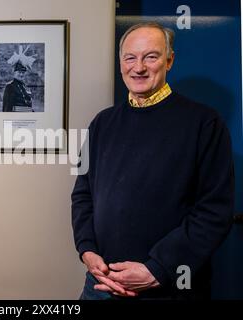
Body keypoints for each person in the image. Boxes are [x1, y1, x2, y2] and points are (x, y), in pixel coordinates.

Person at [71, 22, 235, 300]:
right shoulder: (102, 123)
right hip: (102, 284)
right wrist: (86, 250)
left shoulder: (204, 123)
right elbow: (82, 194)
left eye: (151, 56)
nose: (139, 67)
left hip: (170, 286)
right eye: (130, 57)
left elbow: (214, 212)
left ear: (169, 61)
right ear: (120, 63)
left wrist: (158, 269)